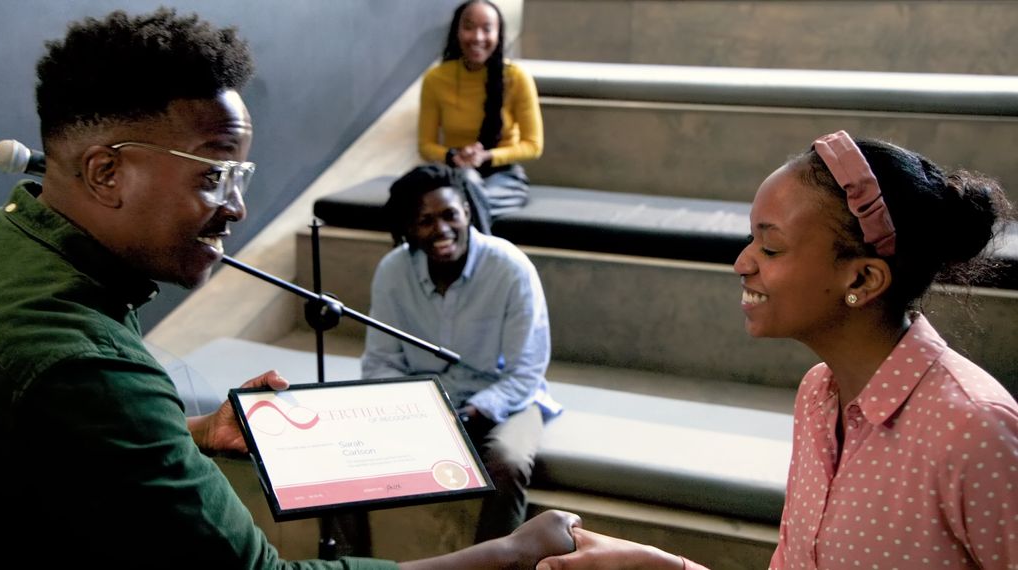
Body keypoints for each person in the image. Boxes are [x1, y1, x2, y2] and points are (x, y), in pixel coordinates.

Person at [0, 9, 582, 569]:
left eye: (241, 175)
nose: (238, 207)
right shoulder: (83, 362)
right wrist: (513, 554)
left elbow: (59, 442)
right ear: (107, 172)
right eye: (216, 175)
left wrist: (185, 429)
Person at [535, 131, 1018, 570]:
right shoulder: (818, 395)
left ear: (863, 278)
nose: (742, 263)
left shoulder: (974, 430)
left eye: (771, 248)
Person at [361, 164, 561, 546]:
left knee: (508, 461)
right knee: (345, 451)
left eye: (450, 214)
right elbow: (380, 363)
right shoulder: (392, 271)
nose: (441, 229)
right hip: (423, 403)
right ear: (408, 228)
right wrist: (418, 407)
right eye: (424, 221)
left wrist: (474, 411)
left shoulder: (510, 267)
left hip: (506, 398)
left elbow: (526, 370)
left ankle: (494, 562)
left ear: (467, 211)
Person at [418, 0, 543, 234]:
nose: (477, 37)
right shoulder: (436, 79)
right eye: (469, 27)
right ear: (457, 31)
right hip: (453, 172)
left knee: (455, 206)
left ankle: (468, 265)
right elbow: (425, 145)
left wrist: (486, 157)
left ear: (498, 34)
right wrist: (453, 156)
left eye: (487, 28)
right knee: (456, 193)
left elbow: (533, 146)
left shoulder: (516, 78)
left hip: (504, 178)